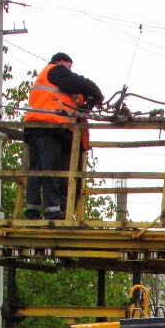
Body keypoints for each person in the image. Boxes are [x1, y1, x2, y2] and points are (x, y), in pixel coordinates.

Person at [24, 53, 104, 220]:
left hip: (40, 128)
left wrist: (90, 101)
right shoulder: (55, 70)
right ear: (60, 62)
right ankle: (53, 214)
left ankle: (33, 212)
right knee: (51, 173)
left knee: (38, 172)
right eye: (68, 66)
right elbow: (81, 82)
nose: (69, 70)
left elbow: (79, 107)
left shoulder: (61, 85)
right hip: (50, 127)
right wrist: (97, 92)